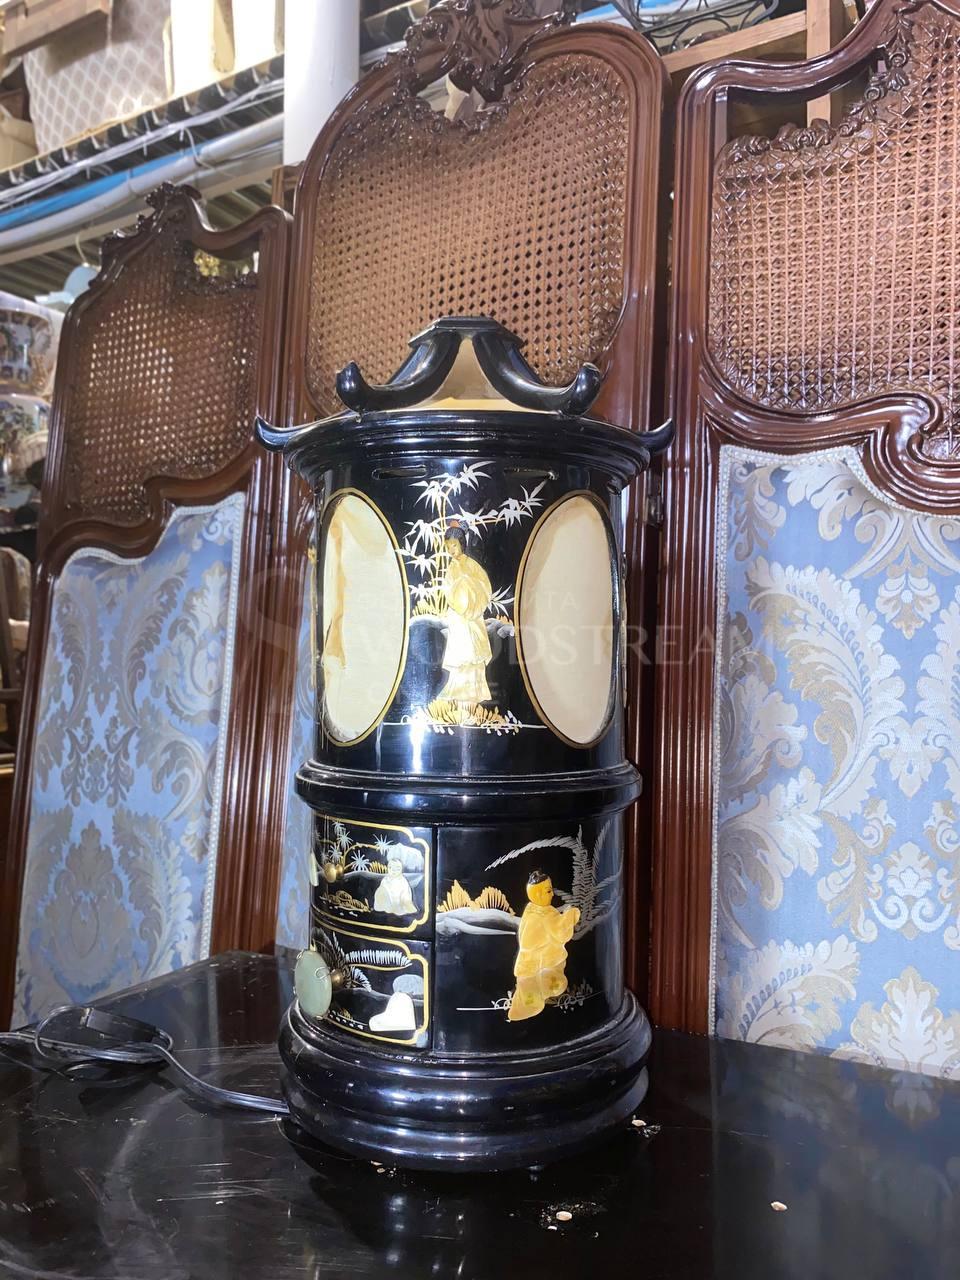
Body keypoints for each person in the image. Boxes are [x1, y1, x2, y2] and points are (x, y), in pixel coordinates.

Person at [508, 871, 580, 1022]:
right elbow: (561, 932)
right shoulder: (544, 916)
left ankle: (521, 1010)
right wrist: (571, 915)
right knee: (534, 994)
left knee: (529, 990)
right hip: (539, 965)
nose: (552, 894)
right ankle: (524, 1012)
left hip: (528, 965)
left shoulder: (532, 910)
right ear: (538, 894)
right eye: (548, 891)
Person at [439, 524, 493, 706]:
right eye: (448, 546)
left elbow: (484, 585)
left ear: (462, 544)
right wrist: (459, 591)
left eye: (454, 545)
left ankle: (475, 692)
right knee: (461, 652)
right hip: (458, 616)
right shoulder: (451, 568)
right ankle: (459, 692)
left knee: (474, 651)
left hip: (473, 615)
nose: (451, 550)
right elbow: (448, 590)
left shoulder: (472, 565)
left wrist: (469, 585)